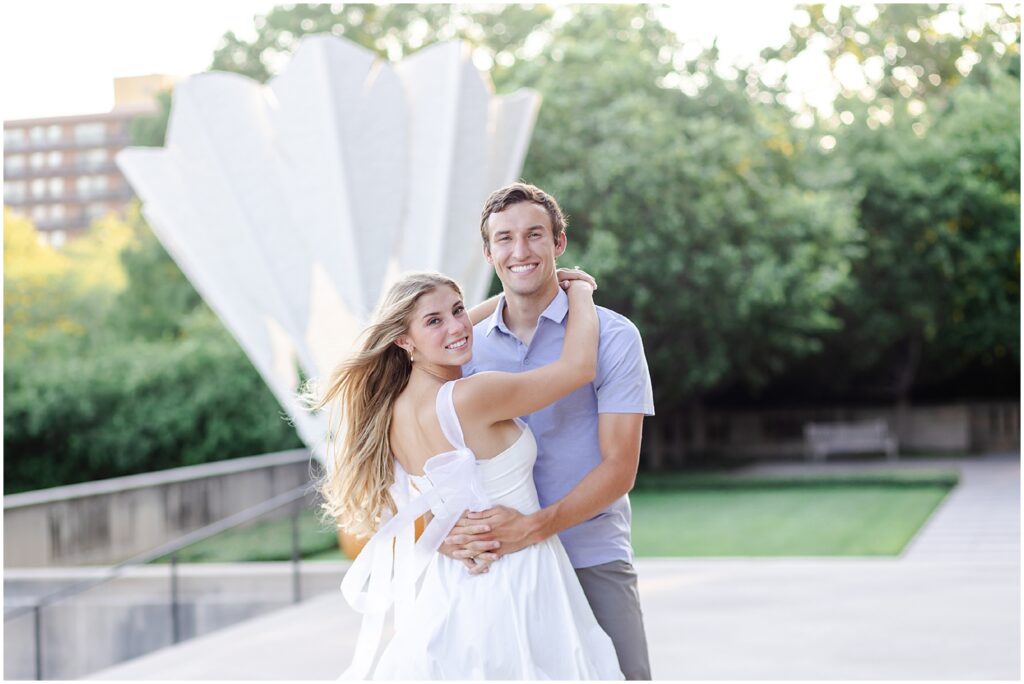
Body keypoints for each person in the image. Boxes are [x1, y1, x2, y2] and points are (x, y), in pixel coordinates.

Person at [313, 270, 623, 679]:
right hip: (521, 575)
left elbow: (406, 508)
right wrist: (581, 289)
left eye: (459, 310)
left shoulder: (390, 413)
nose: (459, 325)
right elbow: (578, 367)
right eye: (434, 321)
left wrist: (501, 302)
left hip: (452, 586)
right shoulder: (473, 396)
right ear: (404, 341)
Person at [445, 182, 655, 680]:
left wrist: (534, 528)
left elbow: (619, 468)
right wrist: (442, 534)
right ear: (488, 252)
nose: (520, 251)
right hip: (495, 564)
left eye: (534, 235)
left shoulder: (614, 337)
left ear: (559, 243)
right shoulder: (461, 349)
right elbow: (415, 439)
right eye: (505, 239)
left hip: (590, 553)